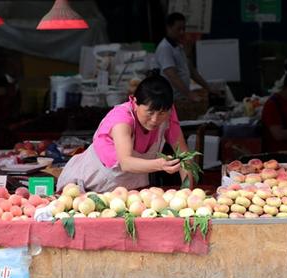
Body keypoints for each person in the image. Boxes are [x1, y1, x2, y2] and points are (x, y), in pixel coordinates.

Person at [56, 73, 191, 192]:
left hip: (128, 194)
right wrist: (160, 165)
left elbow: (184, 157)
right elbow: (126, 162)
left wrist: (187, 192)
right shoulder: (121, 118)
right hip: (86, 188)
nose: (155, 120)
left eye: (161, 113)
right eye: (150, 113)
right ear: (135, 102)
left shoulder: (168, 112)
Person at [155, 12, 212, 102]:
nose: (182, 32)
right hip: (172, 99)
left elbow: (192, 71)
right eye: (178, 29)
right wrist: (189, 94)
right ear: (169, 28)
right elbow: (172, 75)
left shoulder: (179, 46)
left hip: (182, 96)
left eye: (183, 29)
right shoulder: (164, 48)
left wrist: (209, 88)